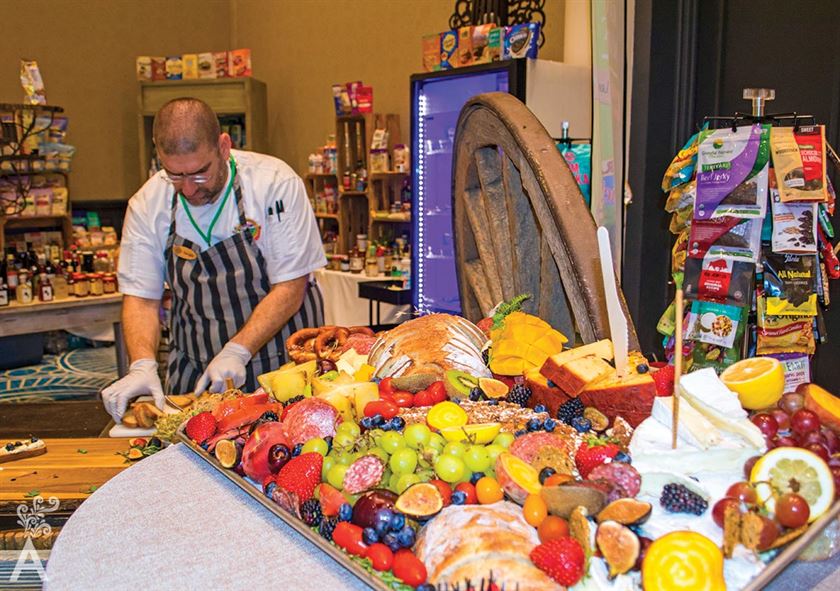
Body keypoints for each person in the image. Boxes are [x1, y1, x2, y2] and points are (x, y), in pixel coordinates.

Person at [102, 97, 325, 421]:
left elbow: (291, 286)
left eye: (199, 173)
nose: (189, 189)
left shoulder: (274, 183)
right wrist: (142, 364)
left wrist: (237, 350)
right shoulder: (148, 203)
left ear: (223, 147)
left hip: (283, 362)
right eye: (174, 174)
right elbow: (141, 298)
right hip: (198, 365)